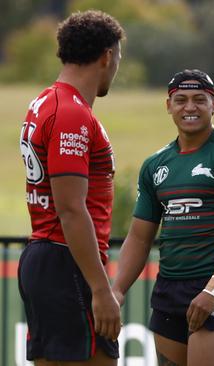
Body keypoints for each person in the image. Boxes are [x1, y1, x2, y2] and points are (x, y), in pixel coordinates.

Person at [111, 69, 214, 366]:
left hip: (213, 287)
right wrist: (116, 290)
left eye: (199, 100)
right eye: (180, 100)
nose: (189, 107)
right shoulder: (156, 164)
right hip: (169, 288)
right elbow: (140, 237)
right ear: (168, 106)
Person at [17, 10, 124, 365]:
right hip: (67, 262)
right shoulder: (71, 113)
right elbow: (71, 208)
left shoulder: (46, 100)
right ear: (107, 56)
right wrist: (99, 288)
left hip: (49, 258)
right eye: (118, 57)